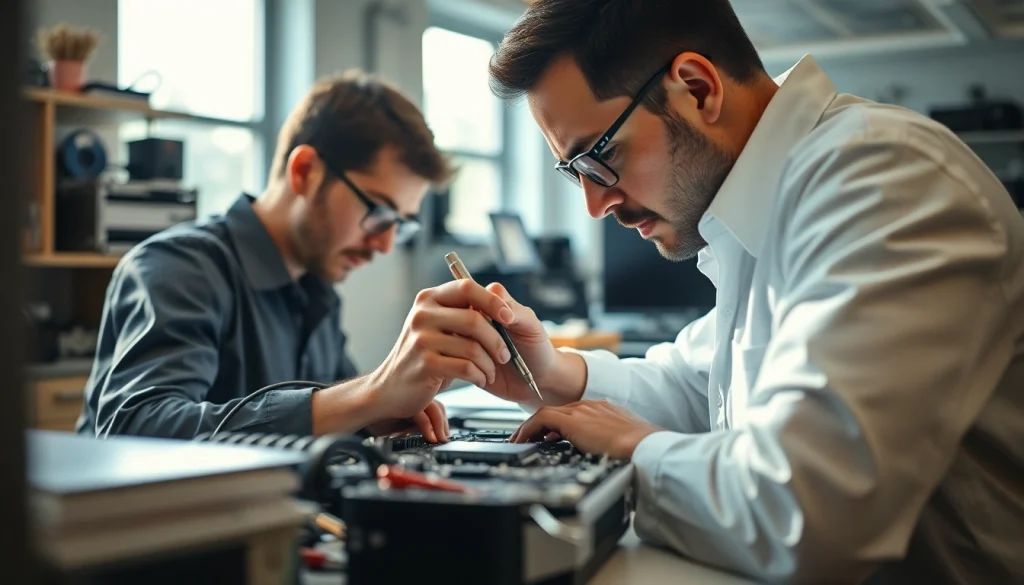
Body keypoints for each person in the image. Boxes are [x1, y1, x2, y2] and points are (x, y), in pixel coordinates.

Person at [414, 1, 1022, 583]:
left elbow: (806, 517)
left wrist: (633, 448)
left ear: (697, 87)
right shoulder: (774, 197)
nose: (596, 204)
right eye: (574, 174)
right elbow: (705, 388)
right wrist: (550, 375)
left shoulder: (882, 180)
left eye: (599, 156)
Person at [78, 70, 521, 444]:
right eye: (380, 213)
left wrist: (371, 418)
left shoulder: (315, 289)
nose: (385, 245)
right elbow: (134, 431)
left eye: (399, 224)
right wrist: (367, 397)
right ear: (305, 171)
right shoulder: (177, 267)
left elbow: (333, 410)